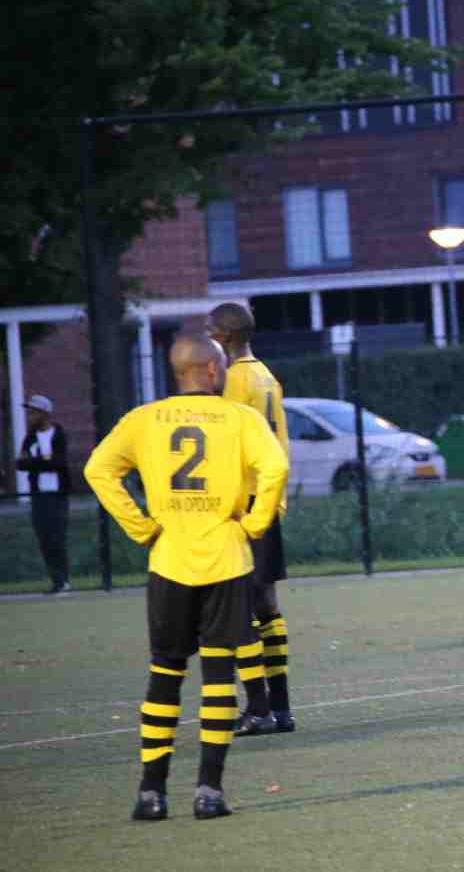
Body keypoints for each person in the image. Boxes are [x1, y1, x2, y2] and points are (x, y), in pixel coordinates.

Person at [84, 334, 289, 821]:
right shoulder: (240, 419)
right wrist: (255, 524)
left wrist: (141, 527)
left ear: (177, 372)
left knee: (165, 672)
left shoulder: (143, 419)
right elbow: (276, 467)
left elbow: (98, 469)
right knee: (218, 676)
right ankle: (208, 792)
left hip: (168, 560)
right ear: (213, 371)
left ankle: (151, 794)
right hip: (226, 559)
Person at [205, 302, 295, 736]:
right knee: (265, 605)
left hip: (244, 503)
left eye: (210, 329)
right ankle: (280, 708)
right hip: (268, 499)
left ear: (223, 336)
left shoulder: (235, 380)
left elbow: (229, 447)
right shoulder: (266, 375)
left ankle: (259, 708)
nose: (206, 335)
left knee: (238, 607)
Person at [16, 395, 71, 594]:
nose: (30, 416)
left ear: (45, 414)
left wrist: (36, 461)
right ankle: (56, 581)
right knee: (44, 538)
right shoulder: (30, 439)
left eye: (33, 413)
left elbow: (59, 462)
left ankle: (64, 580)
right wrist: (45, 460)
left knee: (57, 538)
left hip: (57, 496)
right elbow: (21, 464)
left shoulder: (58, 435)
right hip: (39, 497)